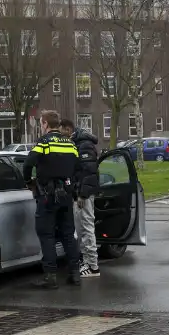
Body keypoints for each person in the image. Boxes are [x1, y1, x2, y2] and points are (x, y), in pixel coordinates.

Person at [22, 111, 82, 289]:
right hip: (66, 195)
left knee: (46, 234)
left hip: (47, 195)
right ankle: (75, 274)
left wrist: (29, 182)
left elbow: (28, 164)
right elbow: (79, 168)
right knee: (68, 235)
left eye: (41, 123)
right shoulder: (70, 143)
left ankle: (50, 276)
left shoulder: (44, 142)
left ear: (46, 124)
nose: (41, 126)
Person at [59, 118, 101, 278]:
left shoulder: (84, 145)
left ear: (68, 129)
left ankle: (93, 266)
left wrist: (82, 194)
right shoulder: (78, 144)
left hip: (85, 194)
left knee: (87, 227)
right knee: (81, 229)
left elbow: (88, 171)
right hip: (79, 193)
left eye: (62, 132)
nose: (62, 136)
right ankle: (87, 262)